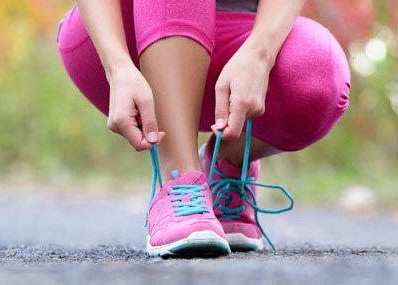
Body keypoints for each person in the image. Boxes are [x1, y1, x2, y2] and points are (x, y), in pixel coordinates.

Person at [56, 0, 350, 257]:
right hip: (121, 38)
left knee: (319, 73)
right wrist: (117, 66)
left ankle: (225, 165)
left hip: (242, 38)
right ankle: (179, 181)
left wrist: (260, 54)